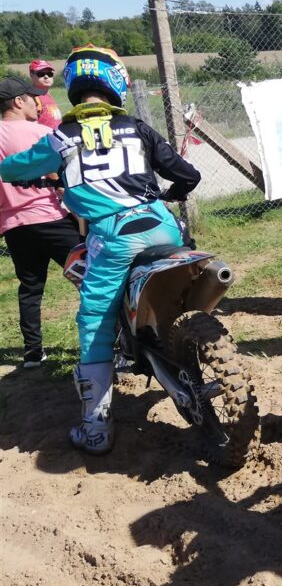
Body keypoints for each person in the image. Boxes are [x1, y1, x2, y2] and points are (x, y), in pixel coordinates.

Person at [0, 45, 201, 455]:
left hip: (112, 234)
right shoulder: (137, 127)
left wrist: (29, 174)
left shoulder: (61, 136)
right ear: (115, 83)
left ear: (73, 85)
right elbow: (188, 174)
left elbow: (13, 167)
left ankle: (95, 427)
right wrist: (171, 192)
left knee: (94, 319)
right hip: (161, 225)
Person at [0, 77, 83, 368]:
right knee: (89, 277)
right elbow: (63, 173)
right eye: (31, 97)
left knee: (30, 288)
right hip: (51, 219)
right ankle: (113, 338)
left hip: (14, 226)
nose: (38, 103)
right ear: (17, 102)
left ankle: (33, 353)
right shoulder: (43, 132)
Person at [28, 59, 62, 130]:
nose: (46, 77)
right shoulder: (32, 97)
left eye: (50, 74)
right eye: (41, 74)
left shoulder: (47, 95)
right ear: (31, 74)